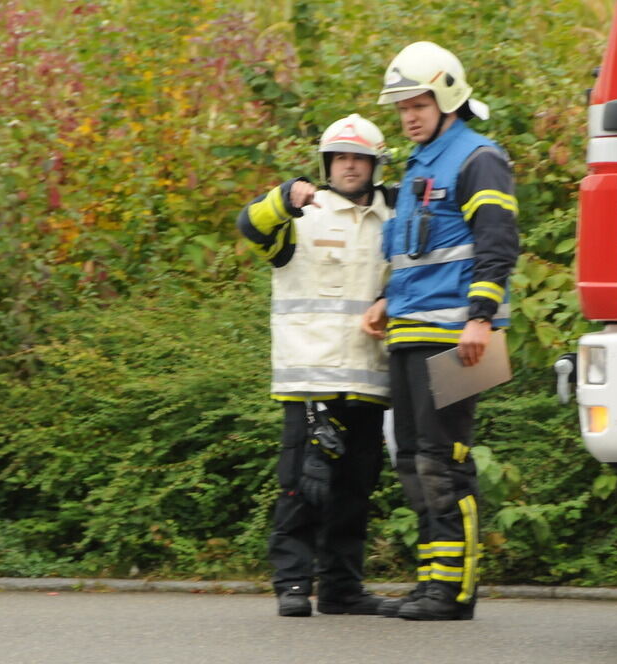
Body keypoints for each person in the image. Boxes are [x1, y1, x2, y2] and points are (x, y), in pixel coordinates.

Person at [362, 41, 520, 621]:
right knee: (411, 459)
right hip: (409, 332)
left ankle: (457, 591)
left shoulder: (477, 156)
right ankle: (432, 580)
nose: (408, 114)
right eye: (401, 104)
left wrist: (481, 317)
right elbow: (415, 254)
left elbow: (497, 242)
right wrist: (384, 300)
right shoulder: (418, 164)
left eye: (418, 101)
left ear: (448, 95)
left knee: (444, 460)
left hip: (456, 336)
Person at [236, 114, 393, 617]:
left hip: (369, 379)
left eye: (358, 158)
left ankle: (343, 589)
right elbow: (249, 225)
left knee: (353, 493)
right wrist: (284, 197)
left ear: (375, 165)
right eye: (340, 158)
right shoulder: (303, 212)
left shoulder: (395, 217)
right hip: (310, 380)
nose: (349, 166)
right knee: (301, 489)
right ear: (327, 164)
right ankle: (293, 585)